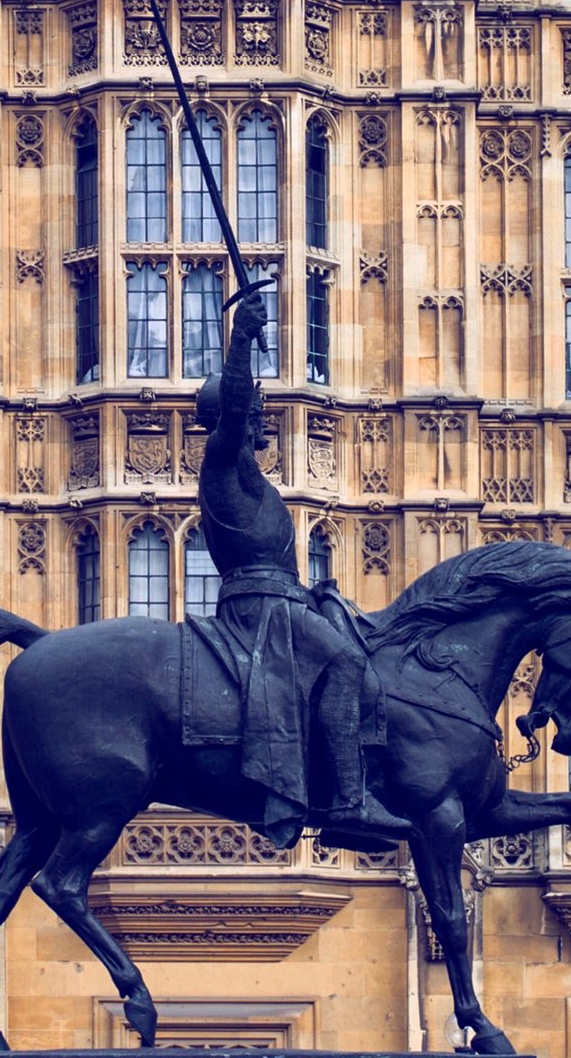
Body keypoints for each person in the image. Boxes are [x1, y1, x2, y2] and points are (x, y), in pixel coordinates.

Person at [193, 288, 410, 846]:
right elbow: (237, 401)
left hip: (284, 601)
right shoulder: (222, 466)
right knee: (344, 665)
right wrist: (241, 336)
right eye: (257, 413)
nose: (263, 418)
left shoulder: (249, 479)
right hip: (260, 610)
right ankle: (348, 803)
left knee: (358, 645)